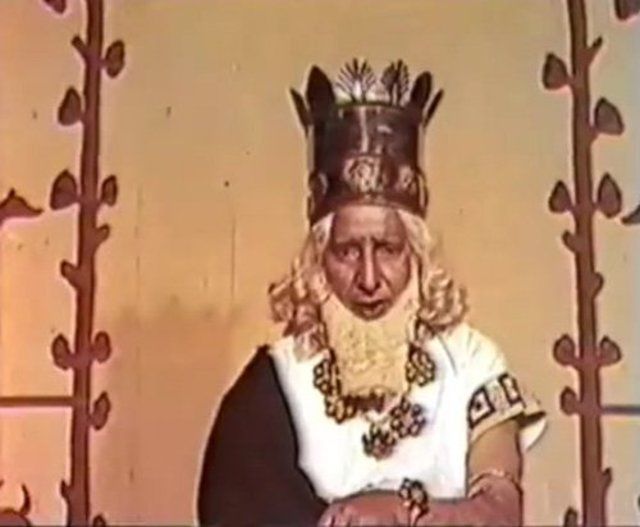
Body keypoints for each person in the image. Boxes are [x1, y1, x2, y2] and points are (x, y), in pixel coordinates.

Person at [196, 59, 546, 526]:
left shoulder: (472, 363)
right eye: (347, 251)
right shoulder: (275, 381)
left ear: (416, 254)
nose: (368, 278)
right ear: (318, 260)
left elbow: (500, 513)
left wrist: (400, 511)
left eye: (387, 249)